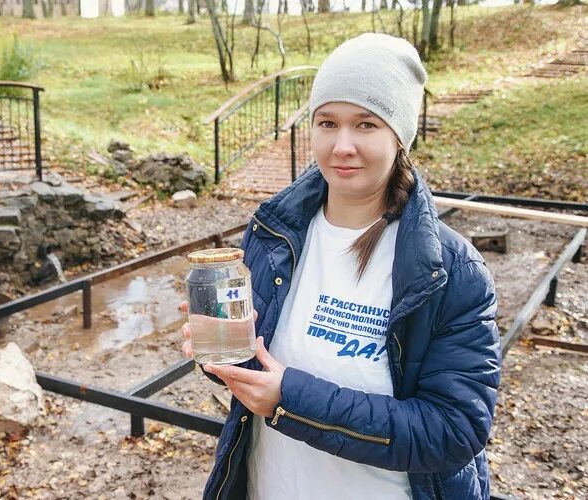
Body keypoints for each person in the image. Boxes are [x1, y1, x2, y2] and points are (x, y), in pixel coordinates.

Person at [180, 33, 501, 500]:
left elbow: (452, 432)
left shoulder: (451, 272)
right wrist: (224, 356)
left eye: (366, 125)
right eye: (327, 122)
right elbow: (261, 368)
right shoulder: (273, 237)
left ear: (399, 135)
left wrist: (290, 400)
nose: (342, 145)